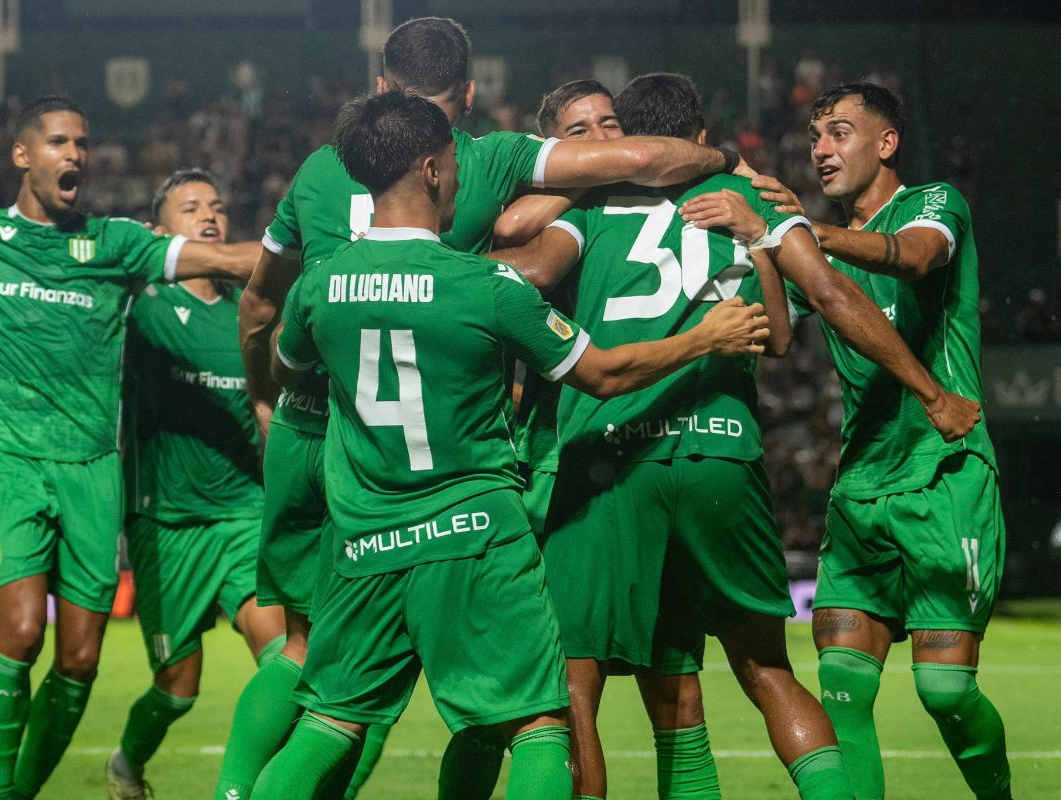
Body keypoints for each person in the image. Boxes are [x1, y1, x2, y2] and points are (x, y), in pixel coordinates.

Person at [223, 16, 754, 800]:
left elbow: (285, 359)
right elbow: (605, 374)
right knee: (538, 727)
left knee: (328, 722)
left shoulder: (318, 289)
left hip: (364, 529)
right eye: (451, 165)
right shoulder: (489, 286)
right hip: (474, 530)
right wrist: (704, 337)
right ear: (433, 169)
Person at [493, 71, 980, 800]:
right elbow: (800, 320)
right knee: (762, 671)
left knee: (576, 687)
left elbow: (529, 266)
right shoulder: (749, 202)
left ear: (634, 141)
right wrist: (761, 236)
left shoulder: (590, 202)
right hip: (722, 451)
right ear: (698, 138)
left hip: (611, 460)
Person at [0, 95, 262, 800]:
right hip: (8, 458)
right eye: (57, 141)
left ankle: (20, 793)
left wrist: (338, 250)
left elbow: (229, 258)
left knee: (80, 661)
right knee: (21, 633)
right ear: (23, 154)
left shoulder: (115, 245)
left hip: (93, 469)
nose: (74, 153)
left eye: (81, 142)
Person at [748, 82, 1011, 800]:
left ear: (886, 142)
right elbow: (775, 334)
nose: (820, 150)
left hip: (943, 473)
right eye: (814, 137)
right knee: (840, 686)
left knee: (945, 692)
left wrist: (801, 235)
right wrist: (762, 248)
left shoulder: (934, 202)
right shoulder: (816, 253)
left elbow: (916, 257)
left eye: (839, 132)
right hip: (860, 488)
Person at [507, 77, 733, 798]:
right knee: (589, 683)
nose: (604, 138)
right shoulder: (570, 204)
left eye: (611, 123)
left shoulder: (598, 205)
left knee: (605, 681)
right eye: (581, 132)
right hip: (570, 457)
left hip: (601, 458)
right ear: (548, 146)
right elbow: (529, 255)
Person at [104, 169, 285, 799]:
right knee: (178, 690)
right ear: (161, 229)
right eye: (190, 208)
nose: (209, 215)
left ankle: (249, 788)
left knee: (286, 658)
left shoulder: (250, 314)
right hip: (166, 525)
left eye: (216, 205)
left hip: (242, 513)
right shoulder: (140, 306)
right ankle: (127, 764)